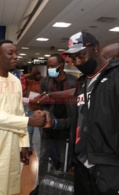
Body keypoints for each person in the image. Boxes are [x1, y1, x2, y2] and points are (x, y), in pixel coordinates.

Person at [0, 39, 46, 195]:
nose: (15, 56)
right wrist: (29, 120)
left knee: (12, 189)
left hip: (13, 146)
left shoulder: (15, 81)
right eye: (10, 53)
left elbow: (19, 112)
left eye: (16, 53)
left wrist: (23, 144)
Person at [61, 31, 119, 194]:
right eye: (73, 58)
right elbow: (82, 118)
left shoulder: (115, 75)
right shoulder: (82, 82)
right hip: (82, 162)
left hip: (108, 165)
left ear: (95, 49)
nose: (77, 62)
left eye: (81, 55)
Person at [30, 53, 77, 195]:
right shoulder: (46, 81)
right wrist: (46, 114)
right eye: (48, 65)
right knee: (44, 156)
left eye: (52, 65)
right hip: (47, 125)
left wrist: (58, 121)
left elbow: (75, 109)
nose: (49, 68)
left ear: (61, 66)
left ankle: (58, 187)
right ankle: (42, 186)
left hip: (65, 127)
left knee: (62, 159)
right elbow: (43, 103)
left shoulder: (73, 82)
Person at [25, 67, 42, 155]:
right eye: (36, 74)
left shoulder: (43, 82)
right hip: (31, 109)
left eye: (39, 74)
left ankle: (43, 149)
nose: (38, 76)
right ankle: (29, 148)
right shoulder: (30, 83)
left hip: (40, 110)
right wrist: (31, 74)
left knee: (41, 131)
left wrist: (39, 74)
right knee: (29, 131)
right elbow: (23, 77)